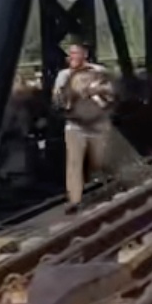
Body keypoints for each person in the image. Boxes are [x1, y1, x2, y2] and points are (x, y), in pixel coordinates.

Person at [52, 41, 116, 212]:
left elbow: (111, 94)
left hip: (98, 123)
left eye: (75, 53)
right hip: (75, 124)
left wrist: (96, 91)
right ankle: (74, 200)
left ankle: (107, 187)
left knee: (99, 160)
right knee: (74, 162)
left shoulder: (99, 72)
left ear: (84, 54)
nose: (72, 57)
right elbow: (57, 100)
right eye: (70, 54)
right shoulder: (64, 75)